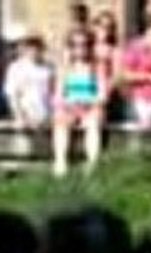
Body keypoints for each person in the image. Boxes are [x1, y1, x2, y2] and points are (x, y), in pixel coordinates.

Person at [52, 28, 107, 177]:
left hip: (90, 107)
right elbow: (58, 94)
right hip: (70, 107)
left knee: (94, 122)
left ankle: (92, 163)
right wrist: (66, 104)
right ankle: (60, 161)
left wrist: (91, 103)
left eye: (84, 45)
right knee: (60, 121)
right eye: (75, 45)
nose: (80, 49)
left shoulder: (96, 67)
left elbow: (102, 93)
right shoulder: (65, 68)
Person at [3, 31, 53, 128]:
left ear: (42, 48)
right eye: (30, 47)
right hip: (24, 118)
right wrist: (20, 117)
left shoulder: (49, 68)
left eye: (37, 46)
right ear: (24, 48)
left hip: (46, 118)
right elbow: (13, 96)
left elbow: (53, 94)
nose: (33, 50)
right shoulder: (15, 68)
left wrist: (51, 116)